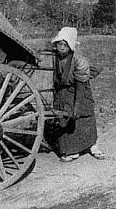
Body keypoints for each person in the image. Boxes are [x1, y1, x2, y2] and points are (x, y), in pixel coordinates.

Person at [46, 27, 107, 162]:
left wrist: (77, 106)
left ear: (71, 47)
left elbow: (80, 85)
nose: (61, 48)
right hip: (63, 91)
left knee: (84, 115)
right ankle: (72, 150)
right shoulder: (55, 58)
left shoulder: (79, 60)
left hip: (80, 90)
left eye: (65, 45)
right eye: (59, 44)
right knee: (64, 118)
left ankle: (92, 145)